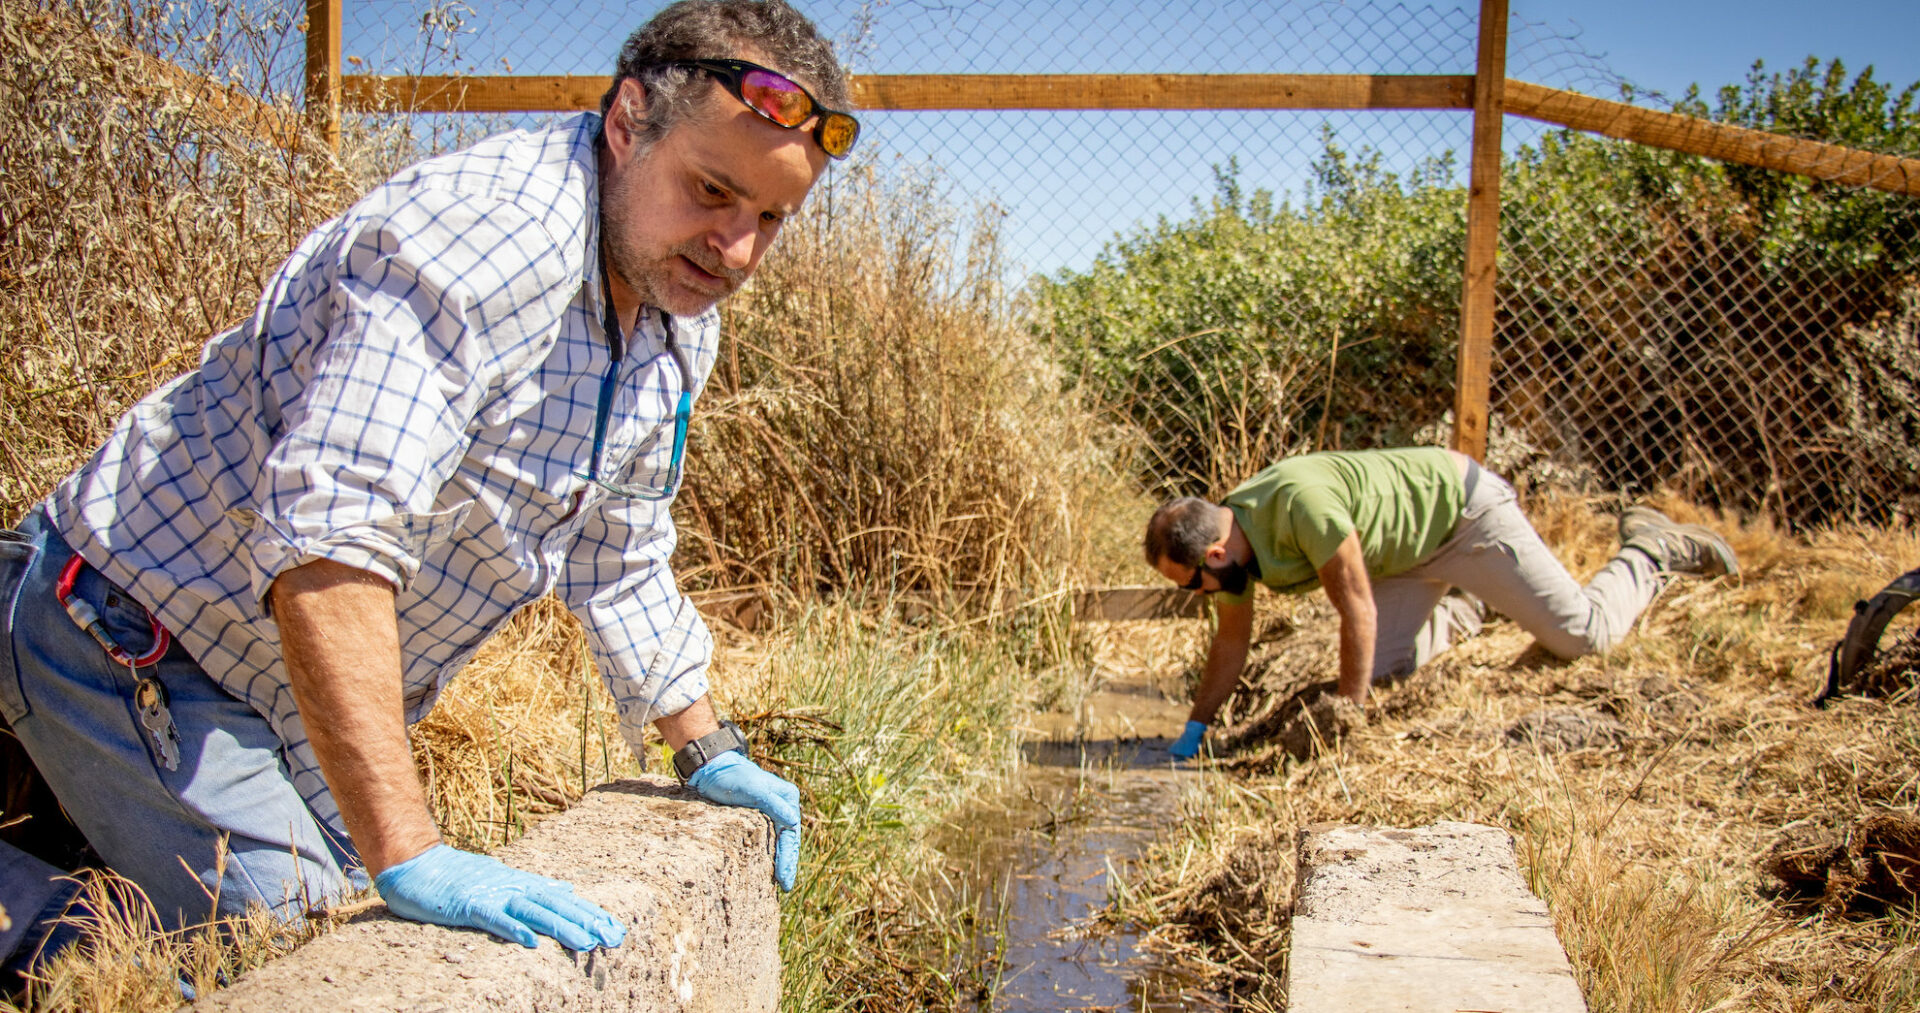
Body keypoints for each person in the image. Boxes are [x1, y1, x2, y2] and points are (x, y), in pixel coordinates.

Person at [0, 0, 862, 972]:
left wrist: (707, 749)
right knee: (301, 952)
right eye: (712, 190)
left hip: (281, 686)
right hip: (135, 625)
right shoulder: (485, 243)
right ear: (629, 122)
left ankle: (89, 839)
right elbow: (332, 529)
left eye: (770, 219)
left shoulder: (673, 318)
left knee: (350, 924)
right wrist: (408, 847)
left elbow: (616, 552)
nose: (736, 249)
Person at [1143, 447, 1738, 759]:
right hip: (1400, 558)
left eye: (1189, 584)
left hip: (1462, 518)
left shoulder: (1304, 505)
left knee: (1583, 635)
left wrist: (1347, 718)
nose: (1194, 596)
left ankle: (1652, 549)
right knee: (1384, 671)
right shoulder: (1233, 550)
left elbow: (1357, 611)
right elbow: (1231, 642)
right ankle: (1481, 604)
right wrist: (1194, 729)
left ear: (1215, 555)